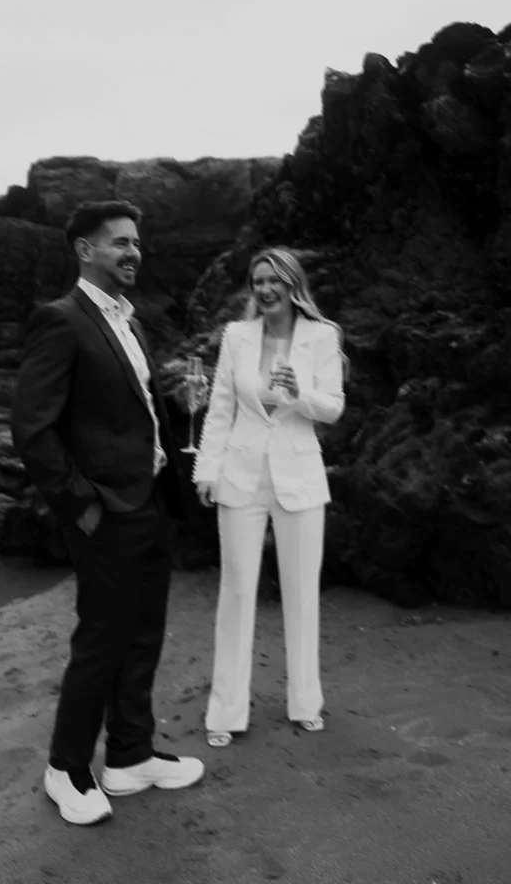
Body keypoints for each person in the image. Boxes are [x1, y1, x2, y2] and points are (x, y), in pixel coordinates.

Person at [11, 200, 204, 825]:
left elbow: (132, 412)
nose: (133, 253)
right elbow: (32, 428)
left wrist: (177, 406)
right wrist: (80, 505)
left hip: (150, 502)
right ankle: (65, 768)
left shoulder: (131, 322)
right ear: (85, 249)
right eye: (120, 242)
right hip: (105, 512)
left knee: (143, 634)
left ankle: (129, 756)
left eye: (137, 243)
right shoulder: (60, 320)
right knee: (101, 641)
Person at [193, 247, 345, 747]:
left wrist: (300, 392)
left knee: (302, 593)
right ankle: (225, 713)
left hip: (300, 478)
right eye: (258, 281)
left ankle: (306, 703)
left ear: (293, 285)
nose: (265, 289)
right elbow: (220, 408)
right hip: (240, 476)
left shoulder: (323, 336)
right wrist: (206, 470)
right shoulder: (236, 336)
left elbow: (333, 408)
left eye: (274, 280)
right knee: (236, 593)